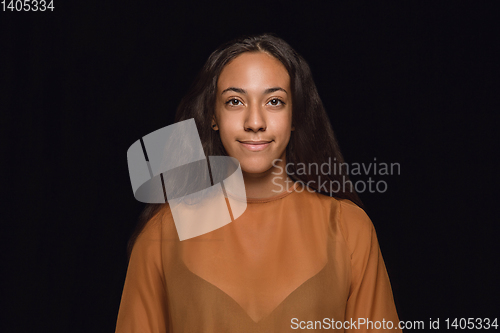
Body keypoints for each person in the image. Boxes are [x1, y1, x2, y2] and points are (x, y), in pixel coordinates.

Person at [115, 33, 402, 332]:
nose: (255, 122)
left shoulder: (348, 228)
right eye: (235, 101)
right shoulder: (163, 233)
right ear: (213, 115)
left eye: (274, 101)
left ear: (295, 116)